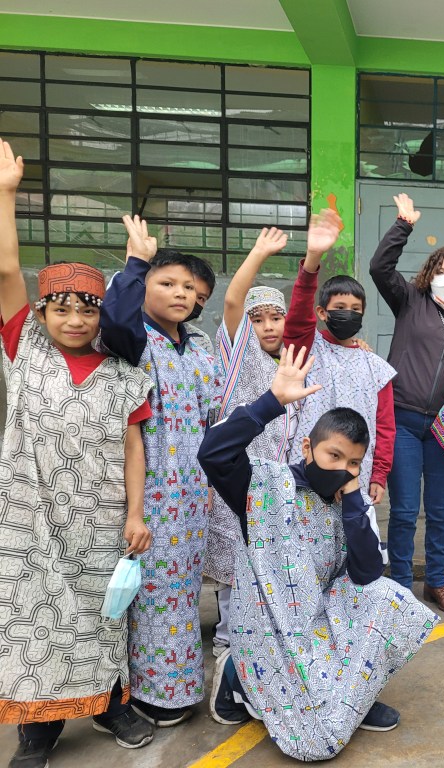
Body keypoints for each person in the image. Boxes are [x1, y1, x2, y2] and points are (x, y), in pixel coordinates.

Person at [198, 345, 437, 760]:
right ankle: (237, 676)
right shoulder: (263, 486)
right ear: (308, 447)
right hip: (270, 631)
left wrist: (354, 498)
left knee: (393, 600)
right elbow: (213, 453)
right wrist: (271, 402)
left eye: (354, 463)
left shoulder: (348, 503)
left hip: (319, 622)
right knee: (315, 745)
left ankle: (352, 694)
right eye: (334, 455)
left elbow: (367, 575)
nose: (343, 468)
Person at [0, 138, 156, 766]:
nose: (73, 320)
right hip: (30, 517)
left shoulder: (123, 374)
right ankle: (39, 729)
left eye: (86, 311)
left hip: (101, 517)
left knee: (103, 615)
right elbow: (7, 271)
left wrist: (136, 513)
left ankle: (110, 704)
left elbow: (133, 446)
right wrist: (6, 195)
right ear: (41, 313)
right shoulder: (25, 349)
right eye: (60, 309)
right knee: (35, 619)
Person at [99, 215, 223, 727]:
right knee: (150, 598)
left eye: (189, 288)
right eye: (166, 283)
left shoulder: (199, 346)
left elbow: (214, 418)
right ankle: (152, 694)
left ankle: (177, 687)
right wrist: (136, 262)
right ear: (144, 287)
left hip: (193, 497)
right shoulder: (134, 342)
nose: (180, 294)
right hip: (148, 493)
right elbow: (114, 320)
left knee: (183, 597)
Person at [369, 193, 444, 615]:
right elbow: (379, 267)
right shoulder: (410, 301)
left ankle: (436, 582)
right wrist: (403, 225)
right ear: (430, 273)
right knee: (405, 511)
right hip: (403, 421)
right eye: (441, 270)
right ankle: (402, 584)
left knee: (441, 511)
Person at [206, 227, 291, 661]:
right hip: (237, 478)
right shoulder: (239, 355)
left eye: (275, 317)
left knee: (269, 561)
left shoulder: (289, 363)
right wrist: (258, 253)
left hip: (276, 483)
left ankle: (263, 635)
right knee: (235, 563)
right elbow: (233, 303)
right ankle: (228, 640)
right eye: (258, 319)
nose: (268, 326)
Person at [283, 209, 396, 508]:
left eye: (356, 309)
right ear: (322, 312)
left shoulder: (377, 368)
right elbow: (297, 318)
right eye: (340, 307)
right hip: (308, 470)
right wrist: (312, 260)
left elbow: (385, 427)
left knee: (350, 533)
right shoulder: (308, 347)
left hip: (356, 474)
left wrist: (380, 474)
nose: (349, 313)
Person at [184, 254, 216, 354]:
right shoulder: (142, 335)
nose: (192, 300)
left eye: (201, 298)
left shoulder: (201, 340)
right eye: (188, 288)